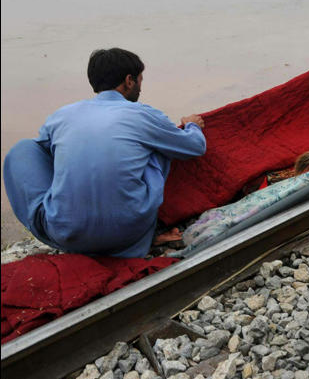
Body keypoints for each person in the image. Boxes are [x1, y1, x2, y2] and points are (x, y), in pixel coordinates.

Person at [2, 48, 206, 257]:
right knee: (161, 146)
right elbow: (194, 146)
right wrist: (192, 126)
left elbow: (43, 153)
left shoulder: (61, 116)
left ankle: (69, 216)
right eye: (140, 80)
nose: (140, 88)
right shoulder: (143, 114)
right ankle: (146, 227)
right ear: (129, 81)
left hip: (68, 235)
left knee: (24, 150)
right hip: (129, 232)